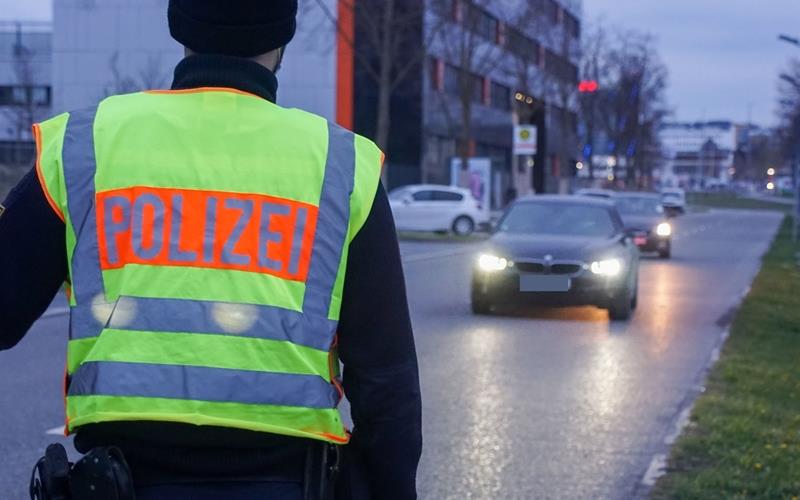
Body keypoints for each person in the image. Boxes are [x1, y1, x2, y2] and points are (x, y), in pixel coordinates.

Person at [0, 1, 422, 498]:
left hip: (118, 480)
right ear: (283, 41)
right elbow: (387, 384)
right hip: (287, 484)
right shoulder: (342, 166)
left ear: (179, 26)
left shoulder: (84, 145)